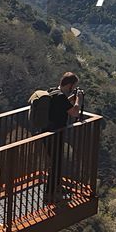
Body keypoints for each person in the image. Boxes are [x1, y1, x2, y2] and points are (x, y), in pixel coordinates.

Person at [44, 71, 83, 204]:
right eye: (74, 86)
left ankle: (56, 188)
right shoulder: (61, 98)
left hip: (47, 132)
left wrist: (71, 98)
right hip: (55, 134)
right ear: (70, 85)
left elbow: (61, 106)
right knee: (56, 164)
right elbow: (74, 112)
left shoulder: (53, 91)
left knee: (56, 162)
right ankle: (50, 194)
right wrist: (78, 98)